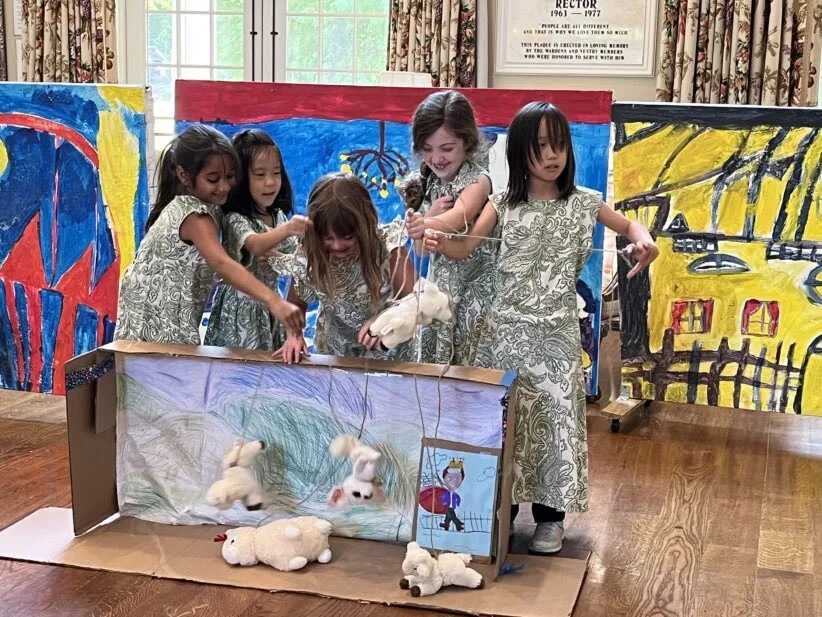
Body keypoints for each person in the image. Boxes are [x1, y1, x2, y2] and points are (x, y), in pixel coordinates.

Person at [419, 102, 659, 554]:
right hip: (503, 339)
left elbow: (630, 225)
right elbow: (464, 249)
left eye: (559, 145)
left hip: (556, 341)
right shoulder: (501, 205)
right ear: (520, 152)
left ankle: (551, 519)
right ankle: (503, 513)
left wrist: (644, 240)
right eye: (541, 146)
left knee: (554, 424)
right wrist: (435, 238)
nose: (552, 155)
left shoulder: (585, 201)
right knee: (508, 426)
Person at [114, 124, 303, 345]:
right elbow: (222, 263)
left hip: (168, 316)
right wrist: (274, 301)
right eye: (213, 179)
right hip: (155, 321)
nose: (224, 187)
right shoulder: (195, 216)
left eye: (230, 176)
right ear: (184, 175)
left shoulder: (215, 209)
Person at [273, 173, 416, 362]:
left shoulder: (388, 249)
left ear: (365, 226)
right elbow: (295, 305)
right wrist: (294, 335)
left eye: (348, 237)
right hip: (335, 352)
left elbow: (414, 301)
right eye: (328, 238)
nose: (337, 245)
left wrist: (385, 318)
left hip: (389, 351)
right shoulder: (311, 254)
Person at [405, 90, 495, 366]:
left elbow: (460, 216)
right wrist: (426, 220)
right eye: (428, 149)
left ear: (467, 143)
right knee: (437, 367)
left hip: (475, 295)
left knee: (470, 365)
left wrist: (425, 222)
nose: (437, 158)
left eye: (446, 149)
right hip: (440, 294)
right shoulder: (429, 184)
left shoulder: (478, 179)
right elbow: (421, 250)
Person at [203, 129, 310, 351]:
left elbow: (292, 255)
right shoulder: (235, 218)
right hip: (240, 308)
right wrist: (288, 229)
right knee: (241, 365)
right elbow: (255, 245)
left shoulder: (278, 216)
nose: (270, 182)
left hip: (270, 305)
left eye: (276, 173)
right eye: (260, 175)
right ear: (241, 179)